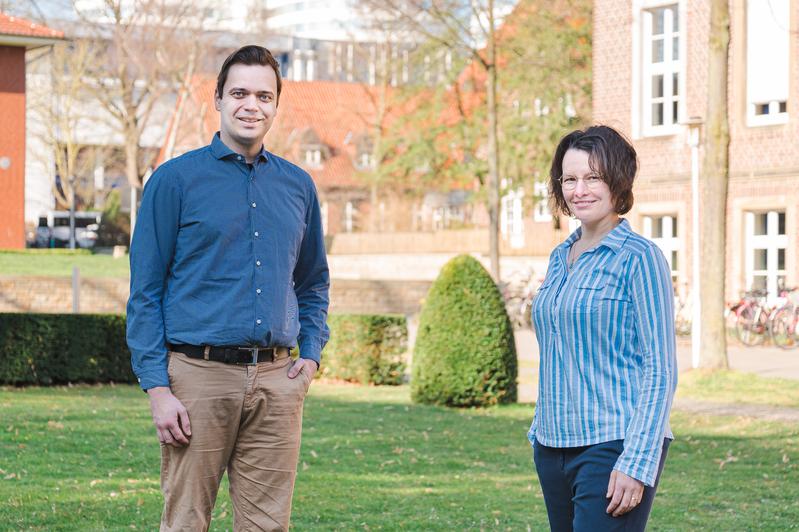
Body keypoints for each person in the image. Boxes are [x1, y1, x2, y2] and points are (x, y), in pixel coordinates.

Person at [127, 45, 330, 531]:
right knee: (187, 521)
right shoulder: (174, 181)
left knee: (267, 525)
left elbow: (313, 280)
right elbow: (145, 292)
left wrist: (313, 351)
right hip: (197, 378)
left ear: (276, 105)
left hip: (278, 383)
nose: (250, 105)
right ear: (217, 98)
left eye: (263, 95)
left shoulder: (298, 186)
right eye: (239, 92)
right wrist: (158, 387)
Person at [528, 125, 677, 531]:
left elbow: (660, 368)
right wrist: (538, 432)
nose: (580, 190)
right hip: (553, 446)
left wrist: (637, 461)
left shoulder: (639, 259)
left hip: (614, 444)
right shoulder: (561, 256)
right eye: (570, 179)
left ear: (617, 180)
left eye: (593, 177)